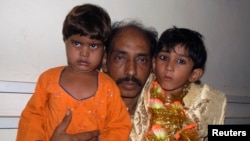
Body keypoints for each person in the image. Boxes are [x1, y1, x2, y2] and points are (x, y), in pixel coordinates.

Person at [16, 3, 131, 141]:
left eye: (93, 45)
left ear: (104, 49)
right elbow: (32, 117)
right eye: (77, 43)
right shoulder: (48, 80)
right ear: (65, 40)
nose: (84, 53)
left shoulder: (109, 88)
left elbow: (120, 126)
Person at [49, 20, 158, 141]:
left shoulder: (167, 114)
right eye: (120, 58)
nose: (131, 71)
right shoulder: (68, 107)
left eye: (141, 60)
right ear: (105, 61)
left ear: (152, 65)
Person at [143, 27, 227, 141]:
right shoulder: (142, 92)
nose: (169, 67)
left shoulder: (203, 104)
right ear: (154, 63)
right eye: (164, 57)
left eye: (181, 61)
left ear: (194, 74)